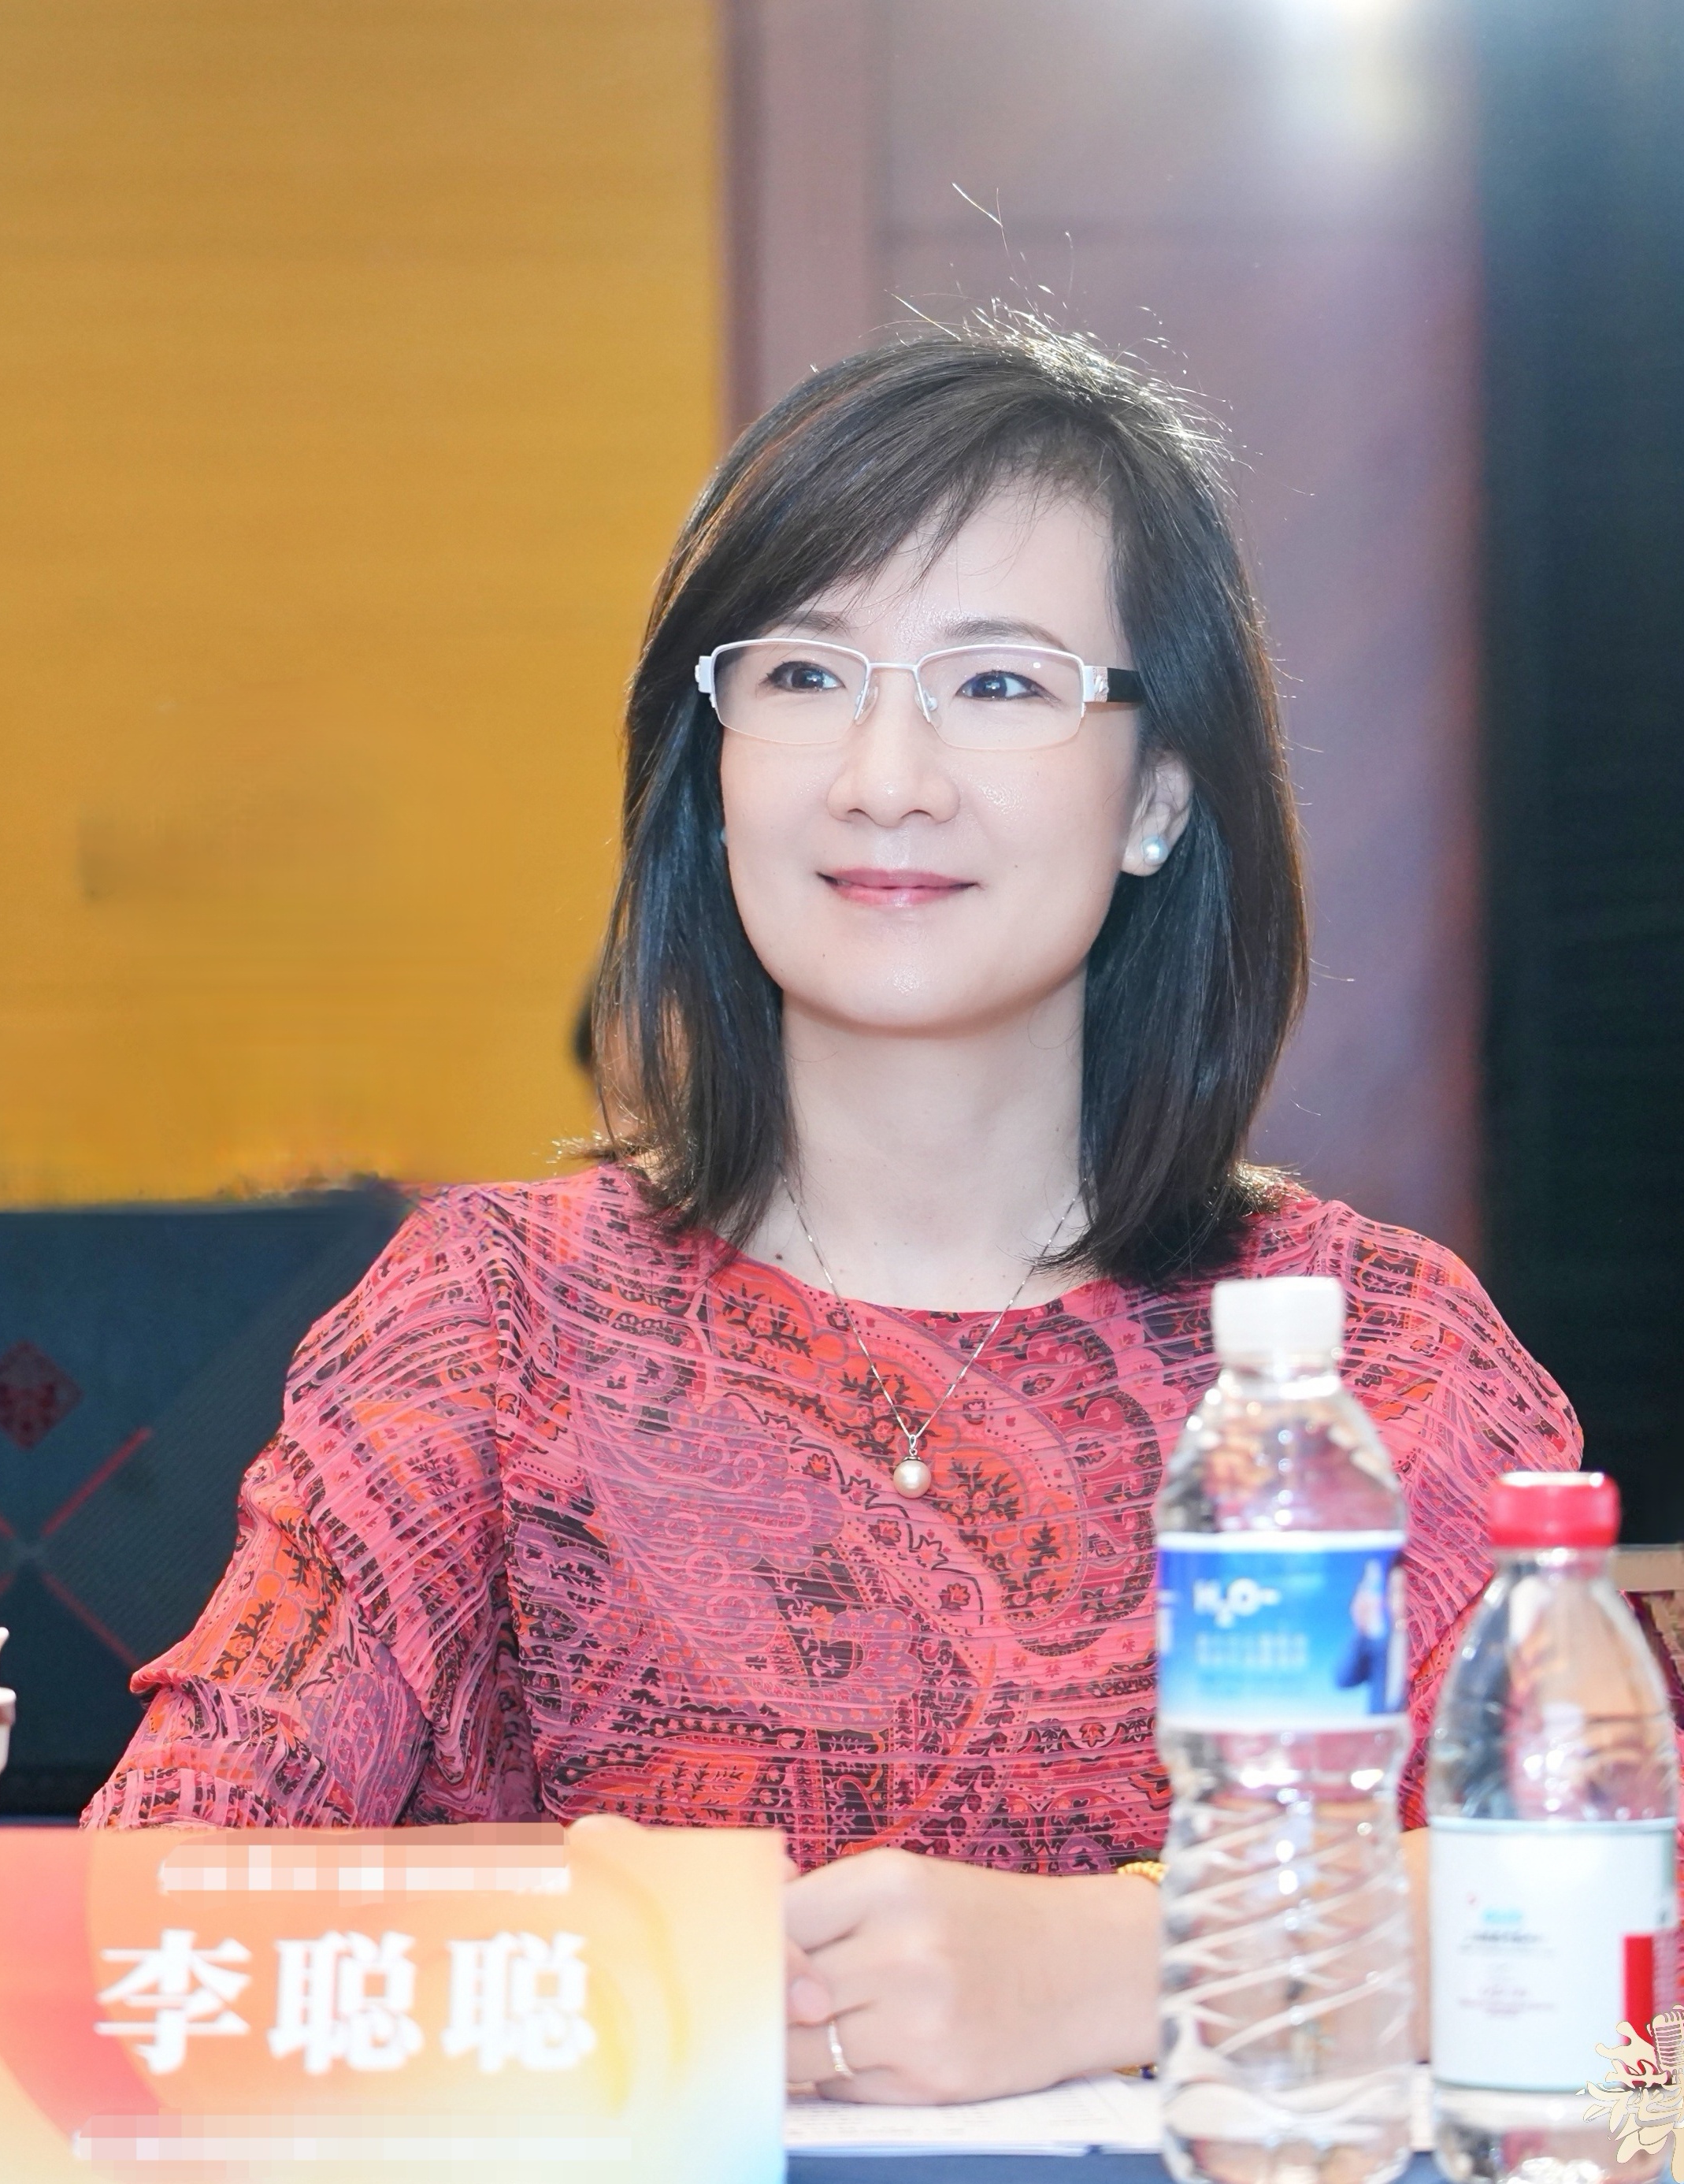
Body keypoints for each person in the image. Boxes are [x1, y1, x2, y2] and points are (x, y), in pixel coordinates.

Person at [83, 322, 1579, 2105]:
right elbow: (141, 1926)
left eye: (998, 684)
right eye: (803, 674)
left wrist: (1140, 1962)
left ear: (1162, 797)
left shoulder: (1369, 1358)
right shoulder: (490, 1321)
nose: (885, 775)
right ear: (711, 767)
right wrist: (637, 1967)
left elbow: (1612, 1909)